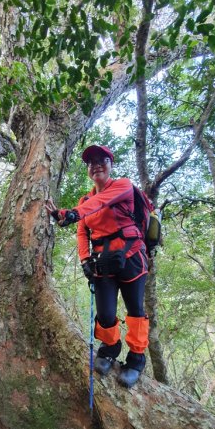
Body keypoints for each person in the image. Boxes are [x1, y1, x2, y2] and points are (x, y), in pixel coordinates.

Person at [46, 145, 149, 388]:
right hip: (102, 261)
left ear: (110, 164)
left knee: (135, 310)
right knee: (104, 313)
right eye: (91, 162)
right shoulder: (85, 200)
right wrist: (84, 260)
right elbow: (83, 232)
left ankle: (136, 359)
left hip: (131, 256)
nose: (96, 165)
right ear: (88, 170)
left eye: (102, 160)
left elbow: (100, 204)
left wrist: (69, 213)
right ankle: (110, 347)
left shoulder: (122, 185)